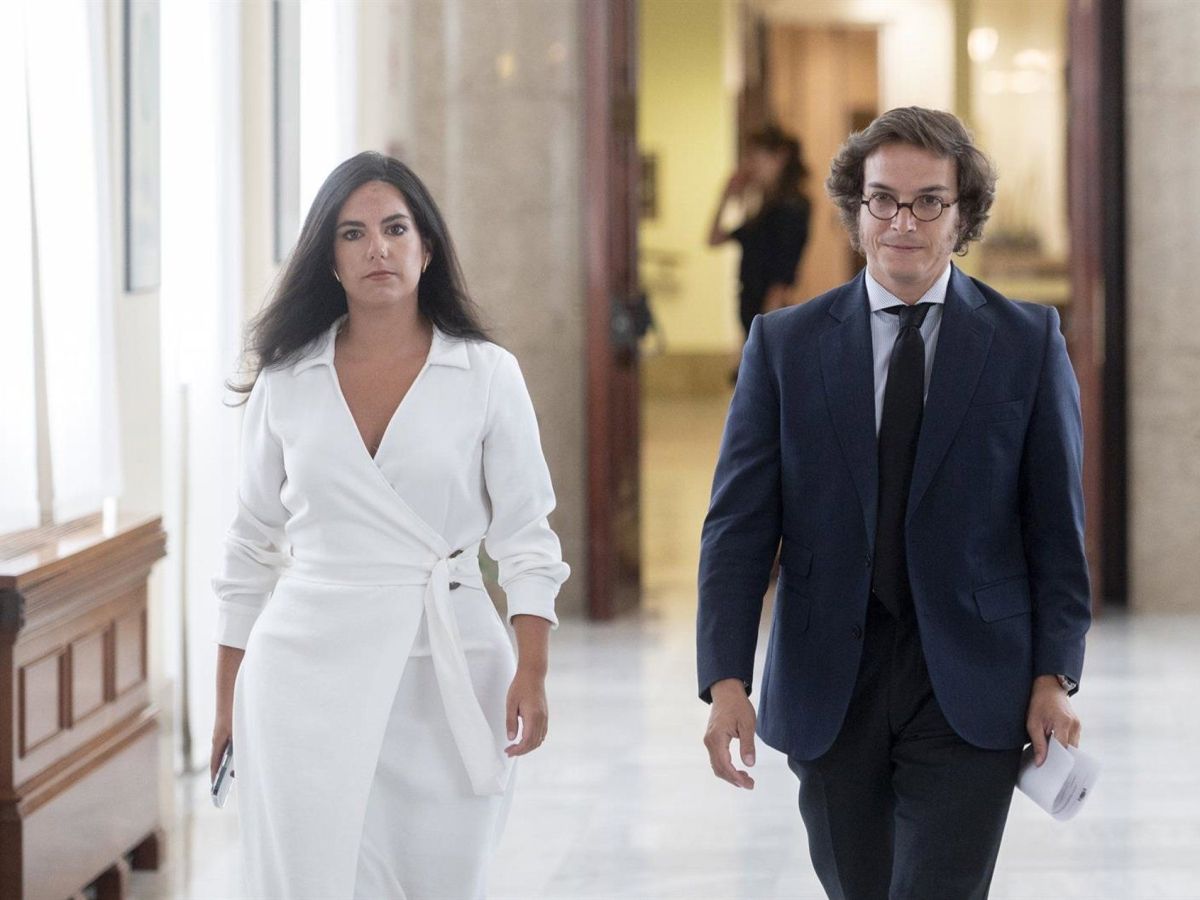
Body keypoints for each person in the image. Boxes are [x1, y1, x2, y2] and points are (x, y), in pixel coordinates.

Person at [697, 107, 1090, 899]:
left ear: (962, 215)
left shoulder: (1025, 342)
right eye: (883, 199)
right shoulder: (784, 346)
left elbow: (1057, 529)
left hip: (972, 678)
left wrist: (1055, 673)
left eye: (928, 202)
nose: (903, 222)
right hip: (829, 679)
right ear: (856, 210)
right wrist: (726, 678)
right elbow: (738, 527)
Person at [210, 151, 569, 899]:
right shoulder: (286, 380)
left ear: (426, 248)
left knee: (442, 876)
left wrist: (532, 670)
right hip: (301, 677)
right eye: (353, 233)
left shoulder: (486, 374)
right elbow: (248, 546)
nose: (377, 247)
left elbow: (527, 537)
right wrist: (224, 701)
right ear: (330, 260)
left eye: (395, 228)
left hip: (447, 665)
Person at [708, 124, 812, 341]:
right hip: (751, 305)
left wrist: (767, 326)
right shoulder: (762, 210)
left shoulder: (792, 207)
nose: (750, 166)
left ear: (780, 158)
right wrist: (726, 196)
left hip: (769, 313)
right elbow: (714, 239)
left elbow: (782, 273)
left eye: (756, 158)